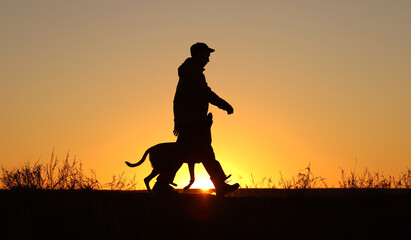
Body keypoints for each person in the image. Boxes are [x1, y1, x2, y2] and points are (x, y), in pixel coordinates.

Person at [153, 42, 239, 196]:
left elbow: (178, 100)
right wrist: (224, 104)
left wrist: (178, 121)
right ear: (199, 54)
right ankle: (161, 185)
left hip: (193, 122)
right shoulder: (193, 71)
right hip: (191, 123)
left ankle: (220, 185)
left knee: (206, 154)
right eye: (207, 55)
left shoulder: (191, 71)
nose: (208, 59)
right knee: (181, 154)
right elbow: (204, 92)